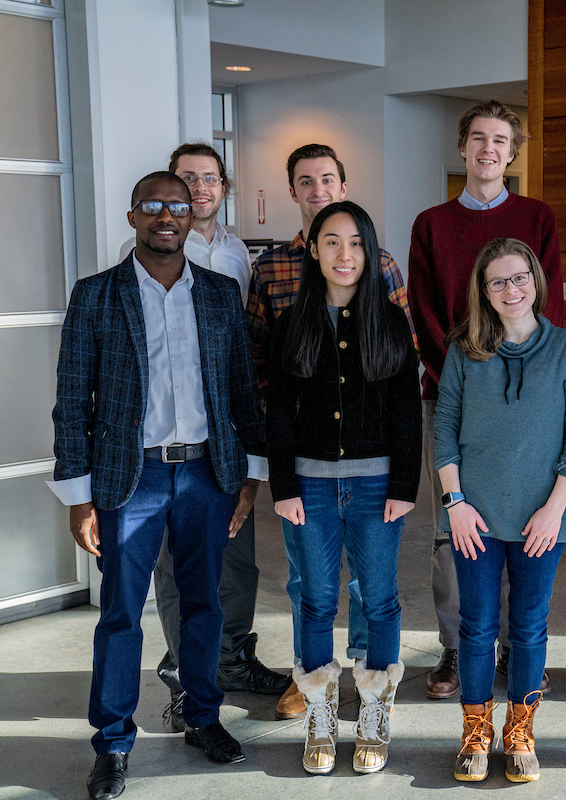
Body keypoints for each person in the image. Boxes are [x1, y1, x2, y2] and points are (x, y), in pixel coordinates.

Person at [48, 172, 264, 800]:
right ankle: (113, 742)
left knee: (204, 604)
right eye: (153, 207)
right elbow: (70, 398)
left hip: (207, 473)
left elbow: (242, 391)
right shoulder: (96, 295)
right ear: (132, 216)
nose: (166, 216)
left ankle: (201, 717)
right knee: (121, 614)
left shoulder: (222, 294)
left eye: (178, 205)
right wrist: (78, 494)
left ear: (192, 217)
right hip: (129, 477)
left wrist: (249, 475)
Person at [118, 142, 285, 732]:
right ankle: (185, 670)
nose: (200, 188)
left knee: (236, 558)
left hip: (225, 434)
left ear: (222, 187)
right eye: (189, 179)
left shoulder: (239, 253)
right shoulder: (143, 254)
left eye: (210, 178)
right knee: (176, 566)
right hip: (163, 443)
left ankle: (232, 657)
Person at [246, 143, 415, 720]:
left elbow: (402, 400)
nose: (346, 254)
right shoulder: (284, 297)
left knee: (377, 593)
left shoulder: (387, 302)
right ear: (313, 249)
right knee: (312, 592)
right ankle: (317, 701)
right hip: (309, 473)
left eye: (356, 244)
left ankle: (372, 700)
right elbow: (272, 392)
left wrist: (405, 483)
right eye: (332, 243)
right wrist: (283, 479)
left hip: (373, 476)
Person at [409, 100, 565, 700]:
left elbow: (544, 303)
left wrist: (511, 380)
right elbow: (423, 312)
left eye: (500, 140)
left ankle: (517, 649)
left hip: (526, 402)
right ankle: (456, 650)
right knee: (456, 526)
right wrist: (462, 383)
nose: (488, 149)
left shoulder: (537, 216)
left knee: (521, 520)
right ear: (463, 146)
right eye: (478, 138)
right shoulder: (431, 224)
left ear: (512, 150)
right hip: (450, 393)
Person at [434, 238, 566, 783]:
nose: (511, 289)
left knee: (528, 626)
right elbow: (445, 429)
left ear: (536, 281)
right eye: (498, 281)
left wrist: (554, 509)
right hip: (472, 516)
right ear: (484, 289)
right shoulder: (464, 349)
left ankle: (520, 729)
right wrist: (455, 503)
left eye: (520, 277)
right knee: (476, 627)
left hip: (541, 517)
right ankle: (475, 731)